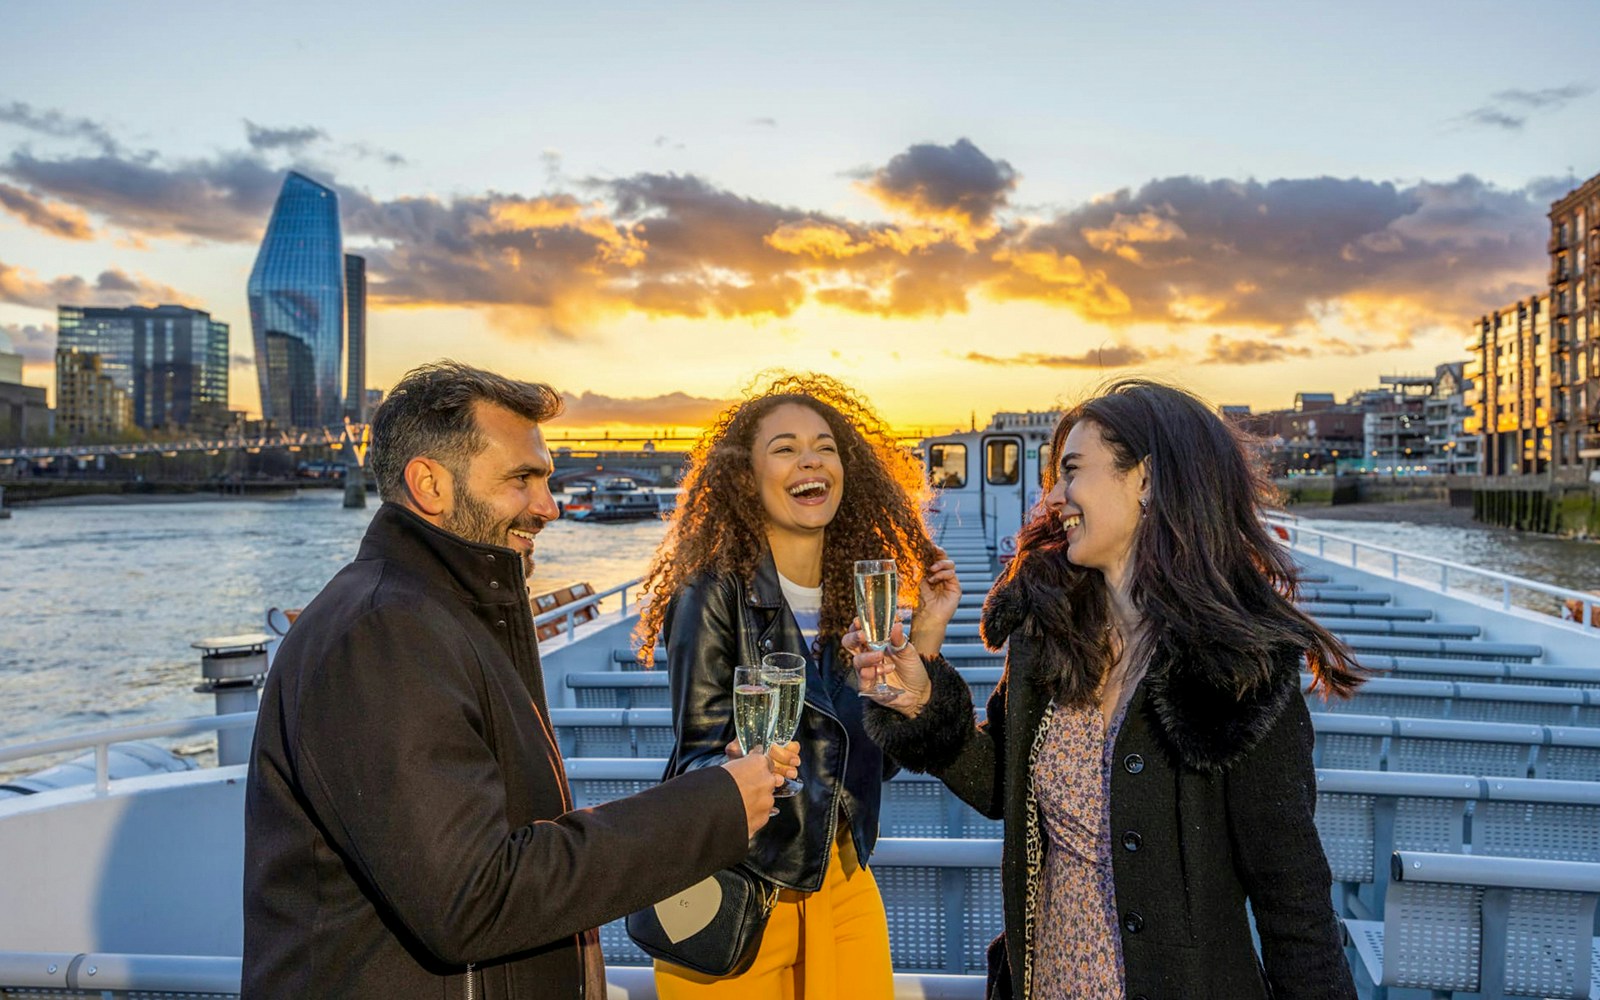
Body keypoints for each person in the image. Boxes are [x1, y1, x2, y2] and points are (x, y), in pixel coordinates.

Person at [243, 361, 784, 1000]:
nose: (549, 506)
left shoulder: (444, 615)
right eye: (521, 479)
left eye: (546, 479)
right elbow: (472, 899)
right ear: (430, 484)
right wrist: (713, 807)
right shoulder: (384, 633)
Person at [852, 379, 1363, 999]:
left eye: (1073, 471)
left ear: (1145, 479)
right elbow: (1005, 786)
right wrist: (921, 702)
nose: (1057, 497)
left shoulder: (1237, 670)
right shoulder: (1049, 636)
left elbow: (1295, 908)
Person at [634, 373, 961, 999]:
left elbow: (875, 770)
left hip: (841, 878)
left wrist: (921, 644)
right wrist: (746, 766)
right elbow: (698, 751)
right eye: (784, 448)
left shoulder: (855, 605)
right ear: (744, 479)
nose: (810, 458)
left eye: (825, 446)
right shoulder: (710, 593)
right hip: (742, 888)